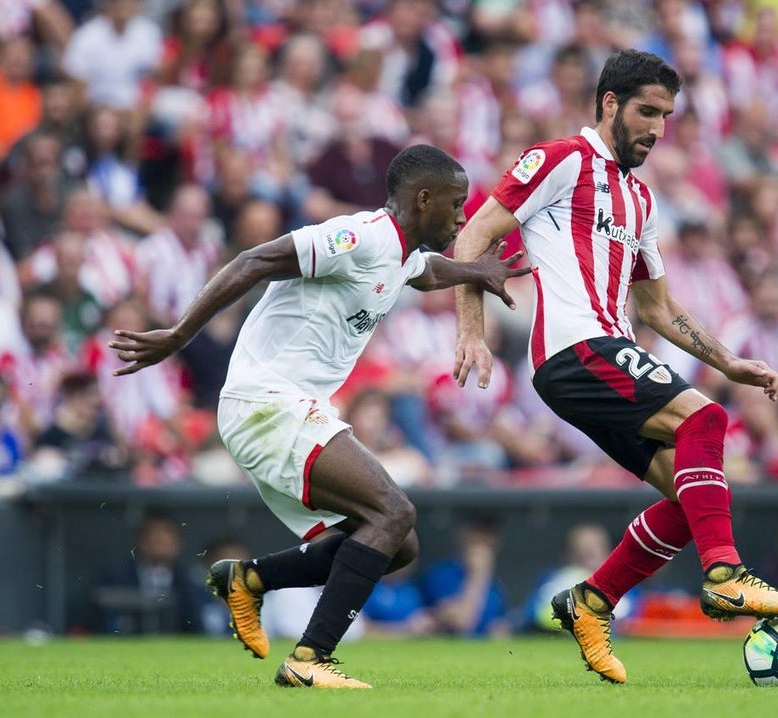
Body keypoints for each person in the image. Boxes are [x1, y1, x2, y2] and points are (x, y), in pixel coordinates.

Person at [452, 49, 778, 685]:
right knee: (706, 422)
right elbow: (473, 235)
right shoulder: (560, 159)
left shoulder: (641, 200)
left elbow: (658, 308)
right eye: (647, 111)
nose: (657, 128)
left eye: (667, 116)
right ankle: (725, 575)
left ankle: (591, 601)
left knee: (692, 494)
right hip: (575, 347)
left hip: (602, 352)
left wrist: (729, 360)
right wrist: (471, 331)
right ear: (610, 103)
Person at [109, 144, 528, 688]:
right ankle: (310, 658)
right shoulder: (359, 236)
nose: (462, 217)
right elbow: (253, 260)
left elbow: (423, 272)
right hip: (268, 402)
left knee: (398, 544)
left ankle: (248, 579)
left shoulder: (401, 254)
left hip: (286, 408)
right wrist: (178, 335)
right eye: (455, 204)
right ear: (423, 199)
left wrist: (475, 270)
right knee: (393, 512)